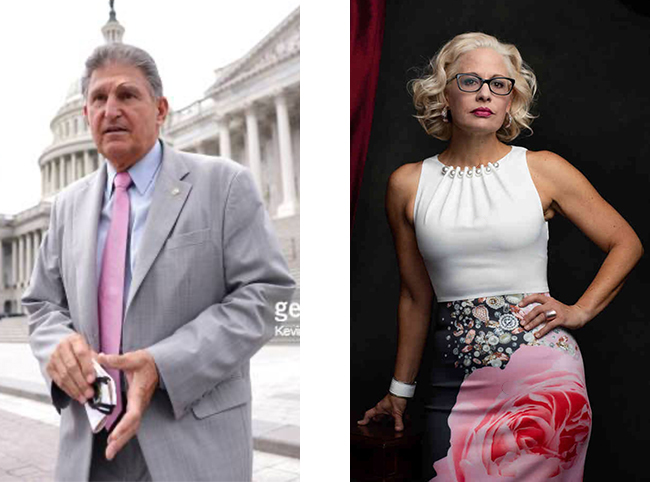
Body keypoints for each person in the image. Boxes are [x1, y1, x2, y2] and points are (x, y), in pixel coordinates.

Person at [357, 32, 643, 480]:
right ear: (443, 92)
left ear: (512, 100)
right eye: (469, 81)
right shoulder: (407, 184)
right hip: (453, 385)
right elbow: (415, 298)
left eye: (500, 83)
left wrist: (581, 311)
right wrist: (399, 392)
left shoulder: (543, 169)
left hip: (545, 387)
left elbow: (626, 243)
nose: (486, 92)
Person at [23, 43, 295, 481]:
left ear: (161, 108)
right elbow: (41, 304)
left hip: (190, 444)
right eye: (98, 99)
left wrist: (164, 364)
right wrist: (56, 344)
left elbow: (266, 295)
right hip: (89, 450)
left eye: (127, 95)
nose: (110, 109)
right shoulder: (67, 207)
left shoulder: (222, 185)